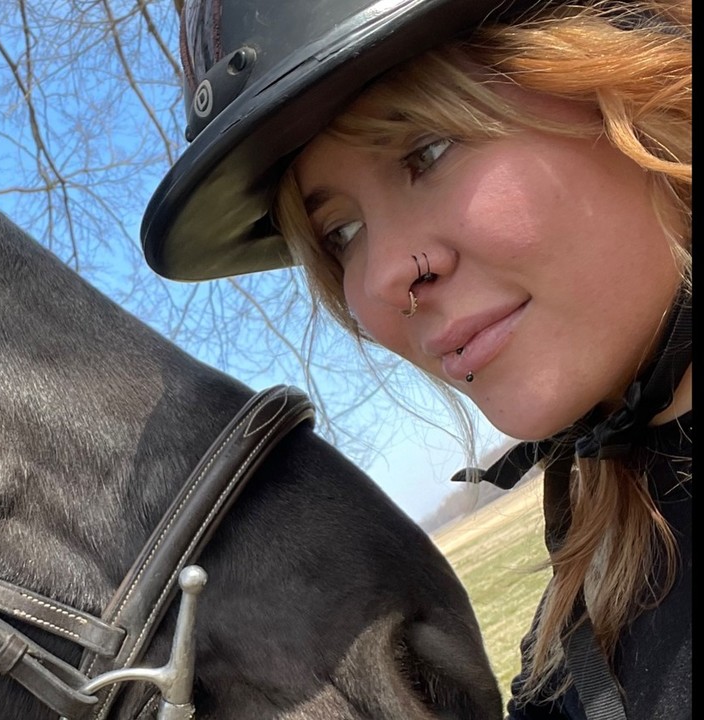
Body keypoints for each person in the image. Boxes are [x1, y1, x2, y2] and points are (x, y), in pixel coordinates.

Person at [141, 1, 691, 718]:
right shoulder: (590, 607)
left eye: (427, 151)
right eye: (341, 233)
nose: (381, 279)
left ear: (634, 67)